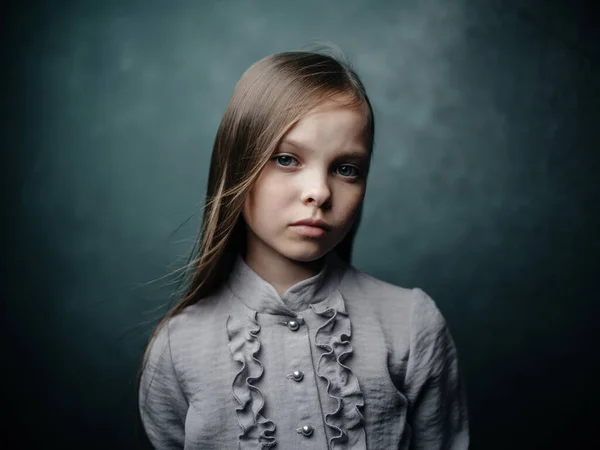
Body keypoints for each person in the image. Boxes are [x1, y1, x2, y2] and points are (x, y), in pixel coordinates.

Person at [137, 48, 470, 450]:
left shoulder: (411, 325)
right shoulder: (177, 347)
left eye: (346, 168)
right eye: (286, 159)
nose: (319, 192)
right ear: (238, 165)